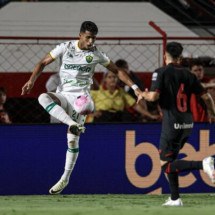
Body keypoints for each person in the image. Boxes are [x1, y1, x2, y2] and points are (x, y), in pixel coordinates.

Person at [21, 21, 143, 195]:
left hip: (81, 99)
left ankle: (65, 177)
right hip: (64, 95)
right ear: (80, 35)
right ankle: (71, 123)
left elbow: (117, 71)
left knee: (73, 139)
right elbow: (43, 62)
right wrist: (31, 80)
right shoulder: (65, 47)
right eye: (88, 38)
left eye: (93, 38)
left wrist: (135, 88)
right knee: (43, 97)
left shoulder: (96, 54)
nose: (91, 42)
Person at [141, 42, 215, 206]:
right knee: (172, 161)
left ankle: (203, 163)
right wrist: (212, 113)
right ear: (181, 57)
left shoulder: (161, 72)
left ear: (164, 54)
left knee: (165, 164)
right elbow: (206, 97)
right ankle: (175, 198)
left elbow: (153, 97)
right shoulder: (189, 74)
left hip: (172, 123)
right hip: (188, 123)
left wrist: (142, 94)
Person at [89, 70, 160, 122]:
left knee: (128, 117)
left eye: (114, 77)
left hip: (118, 117)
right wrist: (92, 114)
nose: (113, 79)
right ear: (105, 79)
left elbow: (135, 105)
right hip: (103, 117)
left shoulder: (121, 92)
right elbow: (83, 106)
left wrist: (150, 115)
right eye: (110, 77)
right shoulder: (96, 93)